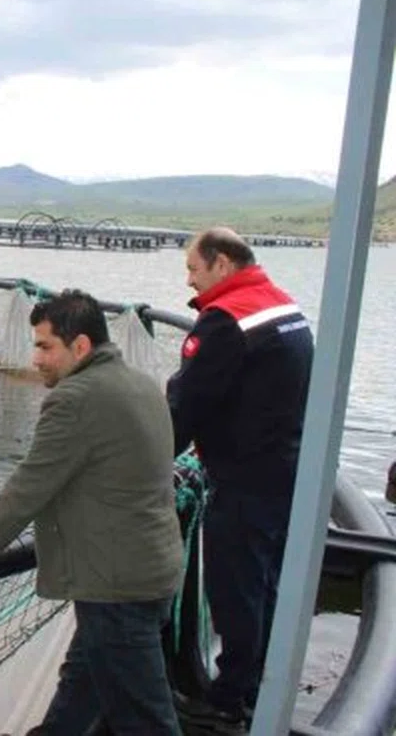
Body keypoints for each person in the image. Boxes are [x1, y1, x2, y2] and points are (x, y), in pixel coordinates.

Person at [0, 289, 183, 735]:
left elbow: (31, 484)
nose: (36, 359)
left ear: (80, 346)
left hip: (116, 589)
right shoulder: (142, 384)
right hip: (151, 571)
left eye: (45, 346)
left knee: (147, 721)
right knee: (80, 691)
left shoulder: (76, 398)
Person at [167, 227, 314, 730]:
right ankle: (259, 685)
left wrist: (148, 463)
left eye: (193, 268)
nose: (189, 280)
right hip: (286, 471)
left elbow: (186, 405)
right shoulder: (284, 306)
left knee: (235, 590)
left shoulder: (225, 320)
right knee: (267, 584)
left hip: (243, 480)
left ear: (222, 264)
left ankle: (229, 700)